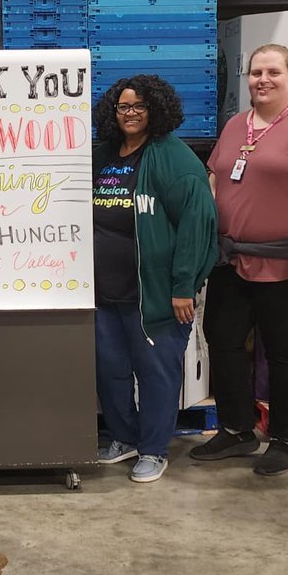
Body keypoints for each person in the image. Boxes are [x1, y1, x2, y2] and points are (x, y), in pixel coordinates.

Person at [192, 43, 288, 476]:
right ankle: (237, 429)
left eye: (273, 72)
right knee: (222, 342)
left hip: (287, 263)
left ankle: (284, 437)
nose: (262, 80)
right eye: (255, 72)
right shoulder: (235, 126)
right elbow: (214, 176)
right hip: (231, 261)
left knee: (285, 352)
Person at [92, 75, 218, 483]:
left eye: (139, 106)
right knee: (109, 370)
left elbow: (197, 226)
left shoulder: (174, 159)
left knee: (156, 373)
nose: (131, 114)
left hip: (158, 296)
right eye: (123, 106)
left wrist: (184, 286)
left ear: (157, 110)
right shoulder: (103, 155)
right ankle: (124, 437)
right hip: (103, 293)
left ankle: (153, 448)